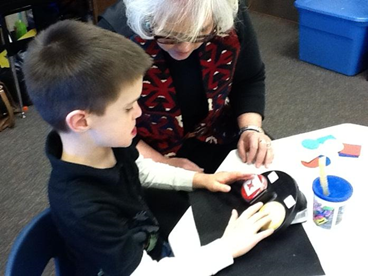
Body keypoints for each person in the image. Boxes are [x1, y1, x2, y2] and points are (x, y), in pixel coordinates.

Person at [23, 20, 274, 275]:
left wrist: (201, 179)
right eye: (128, 107)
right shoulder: (83, 208)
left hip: (153, 250)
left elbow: (141, 169)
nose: (139, 112)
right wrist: (226, 249)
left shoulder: (103, 145)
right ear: (81, 121)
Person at [98, 0, 274, 174]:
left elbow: (249, 78)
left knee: (267, 173)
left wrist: (251, 128)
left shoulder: (225, 11)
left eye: (200, 34)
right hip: (146, 147)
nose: (185, 48)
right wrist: (161, 163)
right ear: (147, 20)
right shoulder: (114, 34)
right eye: (169, 36)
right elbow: (105, 120)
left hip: (217, 129)